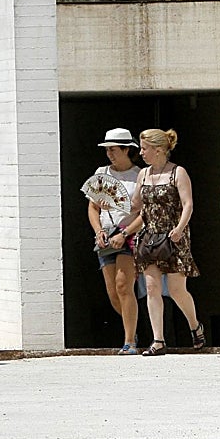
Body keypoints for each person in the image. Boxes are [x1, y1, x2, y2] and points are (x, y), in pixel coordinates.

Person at [108, 129, 205, 356]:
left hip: (173, 236)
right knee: (151, 287)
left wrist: (180, 229)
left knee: (175, 289)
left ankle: (194, 325)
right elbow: (135, 206)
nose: (140, 153)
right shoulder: (144, 174)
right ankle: (158, 339)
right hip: (149, 236)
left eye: (144, 148)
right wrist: (112, 204)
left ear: (158, 149)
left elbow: (188, 204)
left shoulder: (178, 173)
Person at [88, 128, 142, 354]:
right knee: (113, 293)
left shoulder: (139, 175)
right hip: (107, 235)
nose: (109, 154)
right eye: (107, 149)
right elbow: (93, 206)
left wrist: (126, 232)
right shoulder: (102, 173)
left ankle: (129, 341)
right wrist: (98, 230)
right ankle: (132, 327)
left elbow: (144, 212)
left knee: (123, 285)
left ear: (126, 150)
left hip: (129, 235)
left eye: (113, 149)